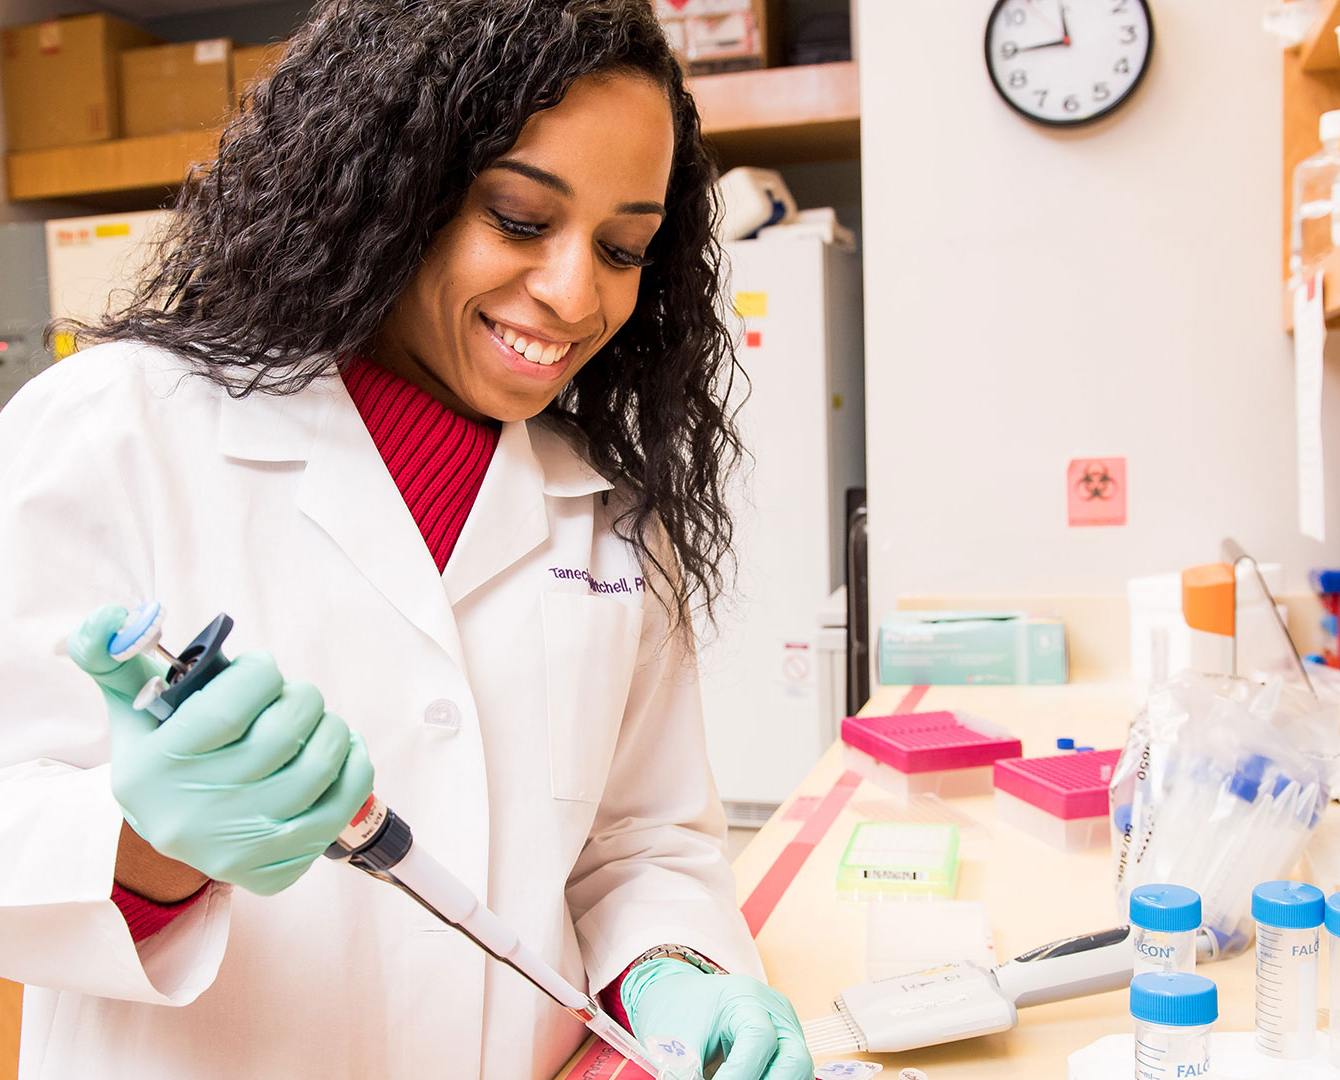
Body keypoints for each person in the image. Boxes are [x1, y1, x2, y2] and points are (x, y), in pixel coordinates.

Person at [0, 1, 815, 1078]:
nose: (575, 294)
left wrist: (677, 969)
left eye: (623, 246)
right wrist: (152, 846)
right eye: (520, 219)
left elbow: (638, 838)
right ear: (387, 191)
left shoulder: (608, 509)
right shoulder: (116, 427)